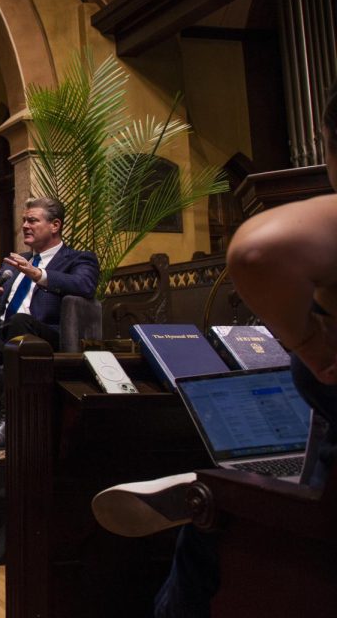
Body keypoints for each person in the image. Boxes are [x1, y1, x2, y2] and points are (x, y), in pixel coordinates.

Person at [92, 88, 337, 618]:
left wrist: (313, 349)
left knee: (213, 510)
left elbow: (257, 250)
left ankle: (215, 489)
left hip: (324, 525)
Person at [0, 196, 100, 449]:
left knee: (21, 321)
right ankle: (32, 413)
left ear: (55, 225)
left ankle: (9, 424)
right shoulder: (17, 261)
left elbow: (84, 285)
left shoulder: (78, 259)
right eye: (24, 221)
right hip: (7, 339)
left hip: (46, 339)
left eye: (32, 220)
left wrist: (39, 275)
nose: (25, 226)